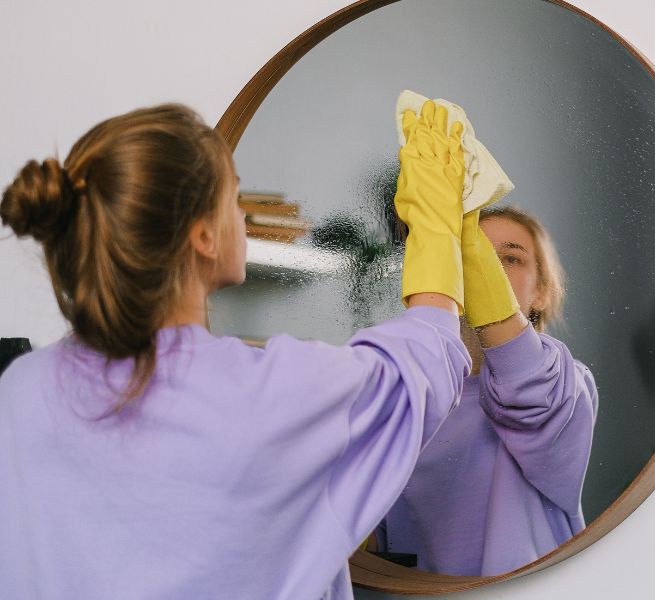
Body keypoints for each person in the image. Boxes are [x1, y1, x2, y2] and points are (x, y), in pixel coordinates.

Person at [0, 101, 470, 600]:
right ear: (203, 234)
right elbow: (421, 368)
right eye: (234, 197)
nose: (243, 214)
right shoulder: (273, 394)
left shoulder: (20, 391)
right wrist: (438, 227)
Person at [374, 204, 599, 577]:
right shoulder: (410, 392)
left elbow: (526, 390)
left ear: (541, 293)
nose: (489, 270)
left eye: (510, 258)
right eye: (471, 254)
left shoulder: (566, 382)